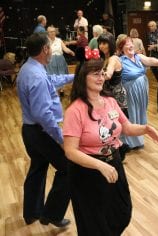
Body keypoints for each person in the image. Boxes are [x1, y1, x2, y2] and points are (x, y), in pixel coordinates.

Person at [63, 58, 158, 235]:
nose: (101, 77)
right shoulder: (75, 110)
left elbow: (126, 127)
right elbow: (70, 151)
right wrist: (100, 165)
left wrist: (145, 129)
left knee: (121, 211)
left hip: (113, 163)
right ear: (83, 77)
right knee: (95, 223)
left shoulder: (110, 102)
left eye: (102, 73)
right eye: (95, 74)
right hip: (88, 172)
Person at [16, 32, 73, 227]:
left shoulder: (29, 68)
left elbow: (51, 82)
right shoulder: (36, 75)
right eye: (50, 47)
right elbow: (43, 115)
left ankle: (32, 212)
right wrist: (60, 138)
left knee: (38, 167)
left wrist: (75, 76)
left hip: (30, 131)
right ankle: (52, 214)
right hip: (41, 132)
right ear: (45, 49)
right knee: (68, 167)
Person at [118, 36, 158, 149]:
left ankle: (138, 139)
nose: (131, 46)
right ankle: (128, 142)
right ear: (122, 48)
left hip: (142, 90)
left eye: (131, 43)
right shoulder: (120, 61)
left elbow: (149, 60)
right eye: (127, 44)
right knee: (131, 113)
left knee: (141, 112)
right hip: (130, 92)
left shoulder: (138, 56)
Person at [97, 33, 130, 160]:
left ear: (110, 44)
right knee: (110, 123)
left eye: (104, 43)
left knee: (116, 123)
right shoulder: (104, 58)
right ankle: (120, 148)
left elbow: (109, 74)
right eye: (100, 43)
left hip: (116, 94)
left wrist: (95, 75)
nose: (101, 46)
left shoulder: (113, 59)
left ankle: (120, 150)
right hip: (108, 94)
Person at [46, 26, 75, 97]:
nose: (52, 33)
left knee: (61, 74)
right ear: (48, 33)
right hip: (50, 60)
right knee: (52, 75)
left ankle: (61, 90)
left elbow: (64, 48)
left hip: (60, 60)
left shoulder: (59, 40)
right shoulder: (45, 41)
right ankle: (54, 91)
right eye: (50, 32)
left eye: (53, 31)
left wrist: (70, 51)